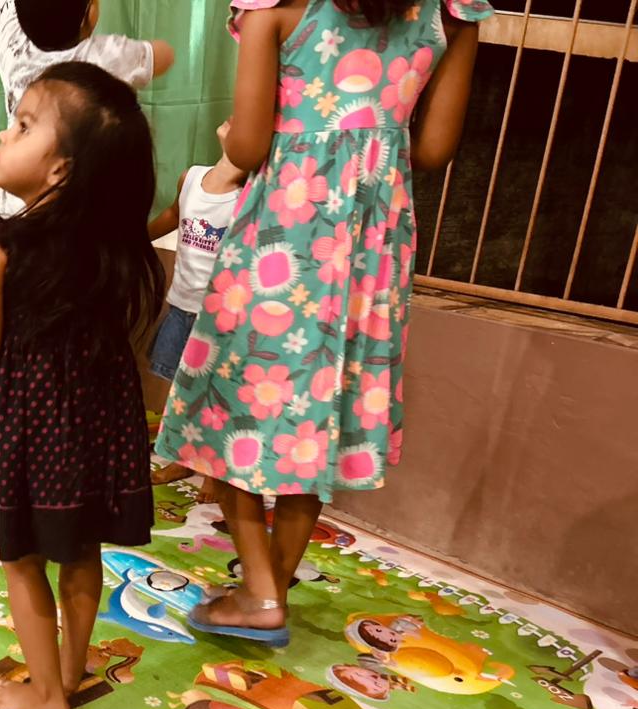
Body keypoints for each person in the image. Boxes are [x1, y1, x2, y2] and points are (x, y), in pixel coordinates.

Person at [154, 0, 491, 647]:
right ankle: (271, 589)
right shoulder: (450, 16)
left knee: (227, 401)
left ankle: (259, 593)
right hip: (372, 251)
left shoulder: (279, 11)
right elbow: (433, 149)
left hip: (283, 237)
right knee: (320, 415)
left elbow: (247, 146)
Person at [0, 62, 165, 709]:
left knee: (21, 558)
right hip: (101, 427)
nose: (2, 134)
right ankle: (69, 673)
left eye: (22, 126)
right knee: (80, 546)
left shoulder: (0, 247)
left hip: (31, 427)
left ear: (60, 170)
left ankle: (46, 695)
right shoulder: (112, 248)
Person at [0, 0, 176, 215]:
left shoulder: (11, 37)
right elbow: (165, 56)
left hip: (16, 202)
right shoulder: (103, 55)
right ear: (87, 15)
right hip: (76, 211)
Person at [147, 120, 248, 502]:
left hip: (220, 318)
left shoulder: (249, 194)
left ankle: (212, 470)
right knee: (179, 388)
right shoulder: (191, 178)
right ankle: (183, 458)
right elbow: (174, 215)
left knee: (214, 395)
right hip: (182, 305)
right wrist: (135, 241)